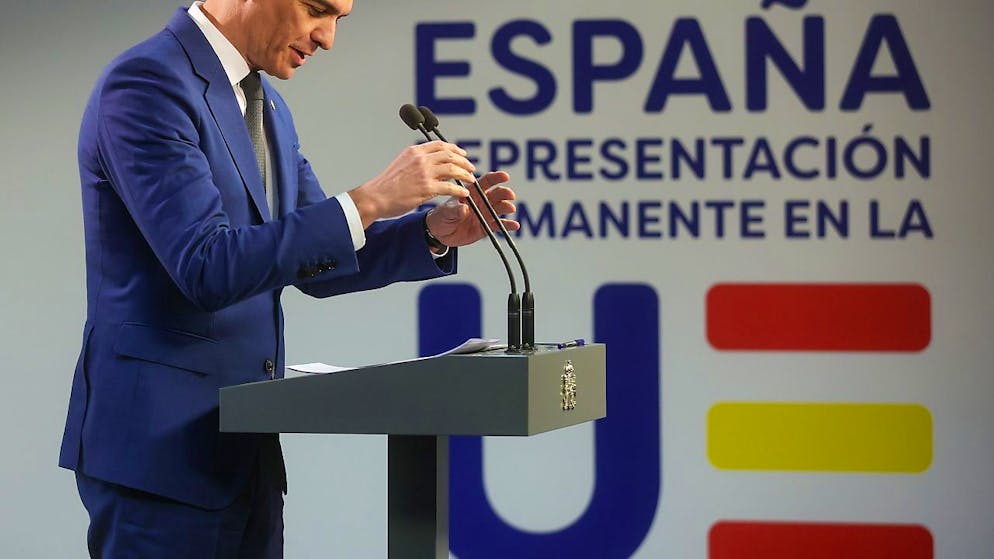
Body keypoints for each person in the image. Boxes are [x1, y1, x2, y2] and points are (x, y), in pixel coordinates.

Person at [57, 0, 518, 556]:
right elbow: (206, 265)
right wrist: (370, 199)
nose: (327, 38)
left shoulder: (265, 104)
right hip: (158, 460)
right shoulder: (146, 86)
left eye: (339, 19)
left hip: (244, 454)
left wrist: (434, 231)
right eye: (316, 9)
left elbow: (316, 260)